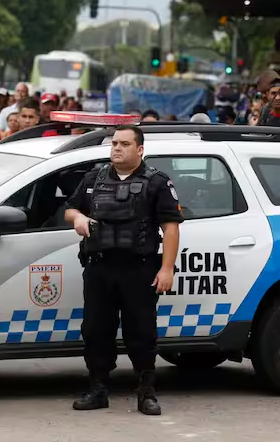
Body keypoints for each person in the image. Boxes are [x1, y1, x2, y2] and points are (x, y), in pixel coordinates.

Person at [64, 125, 182, 416]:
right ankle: (98, 388)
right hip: (99, 267)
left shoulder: (156, 182)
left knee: (141, 331)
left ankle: (146, 392)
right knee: (95, 330)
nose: (117, 148)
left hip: (138, 270)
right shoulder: (94, 177)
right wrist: (78, 218)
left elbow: (170, 227)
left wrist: (167, 269)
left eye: (124, 144)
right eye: (114, 143)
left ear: (139, 149)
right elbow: (69, 209)